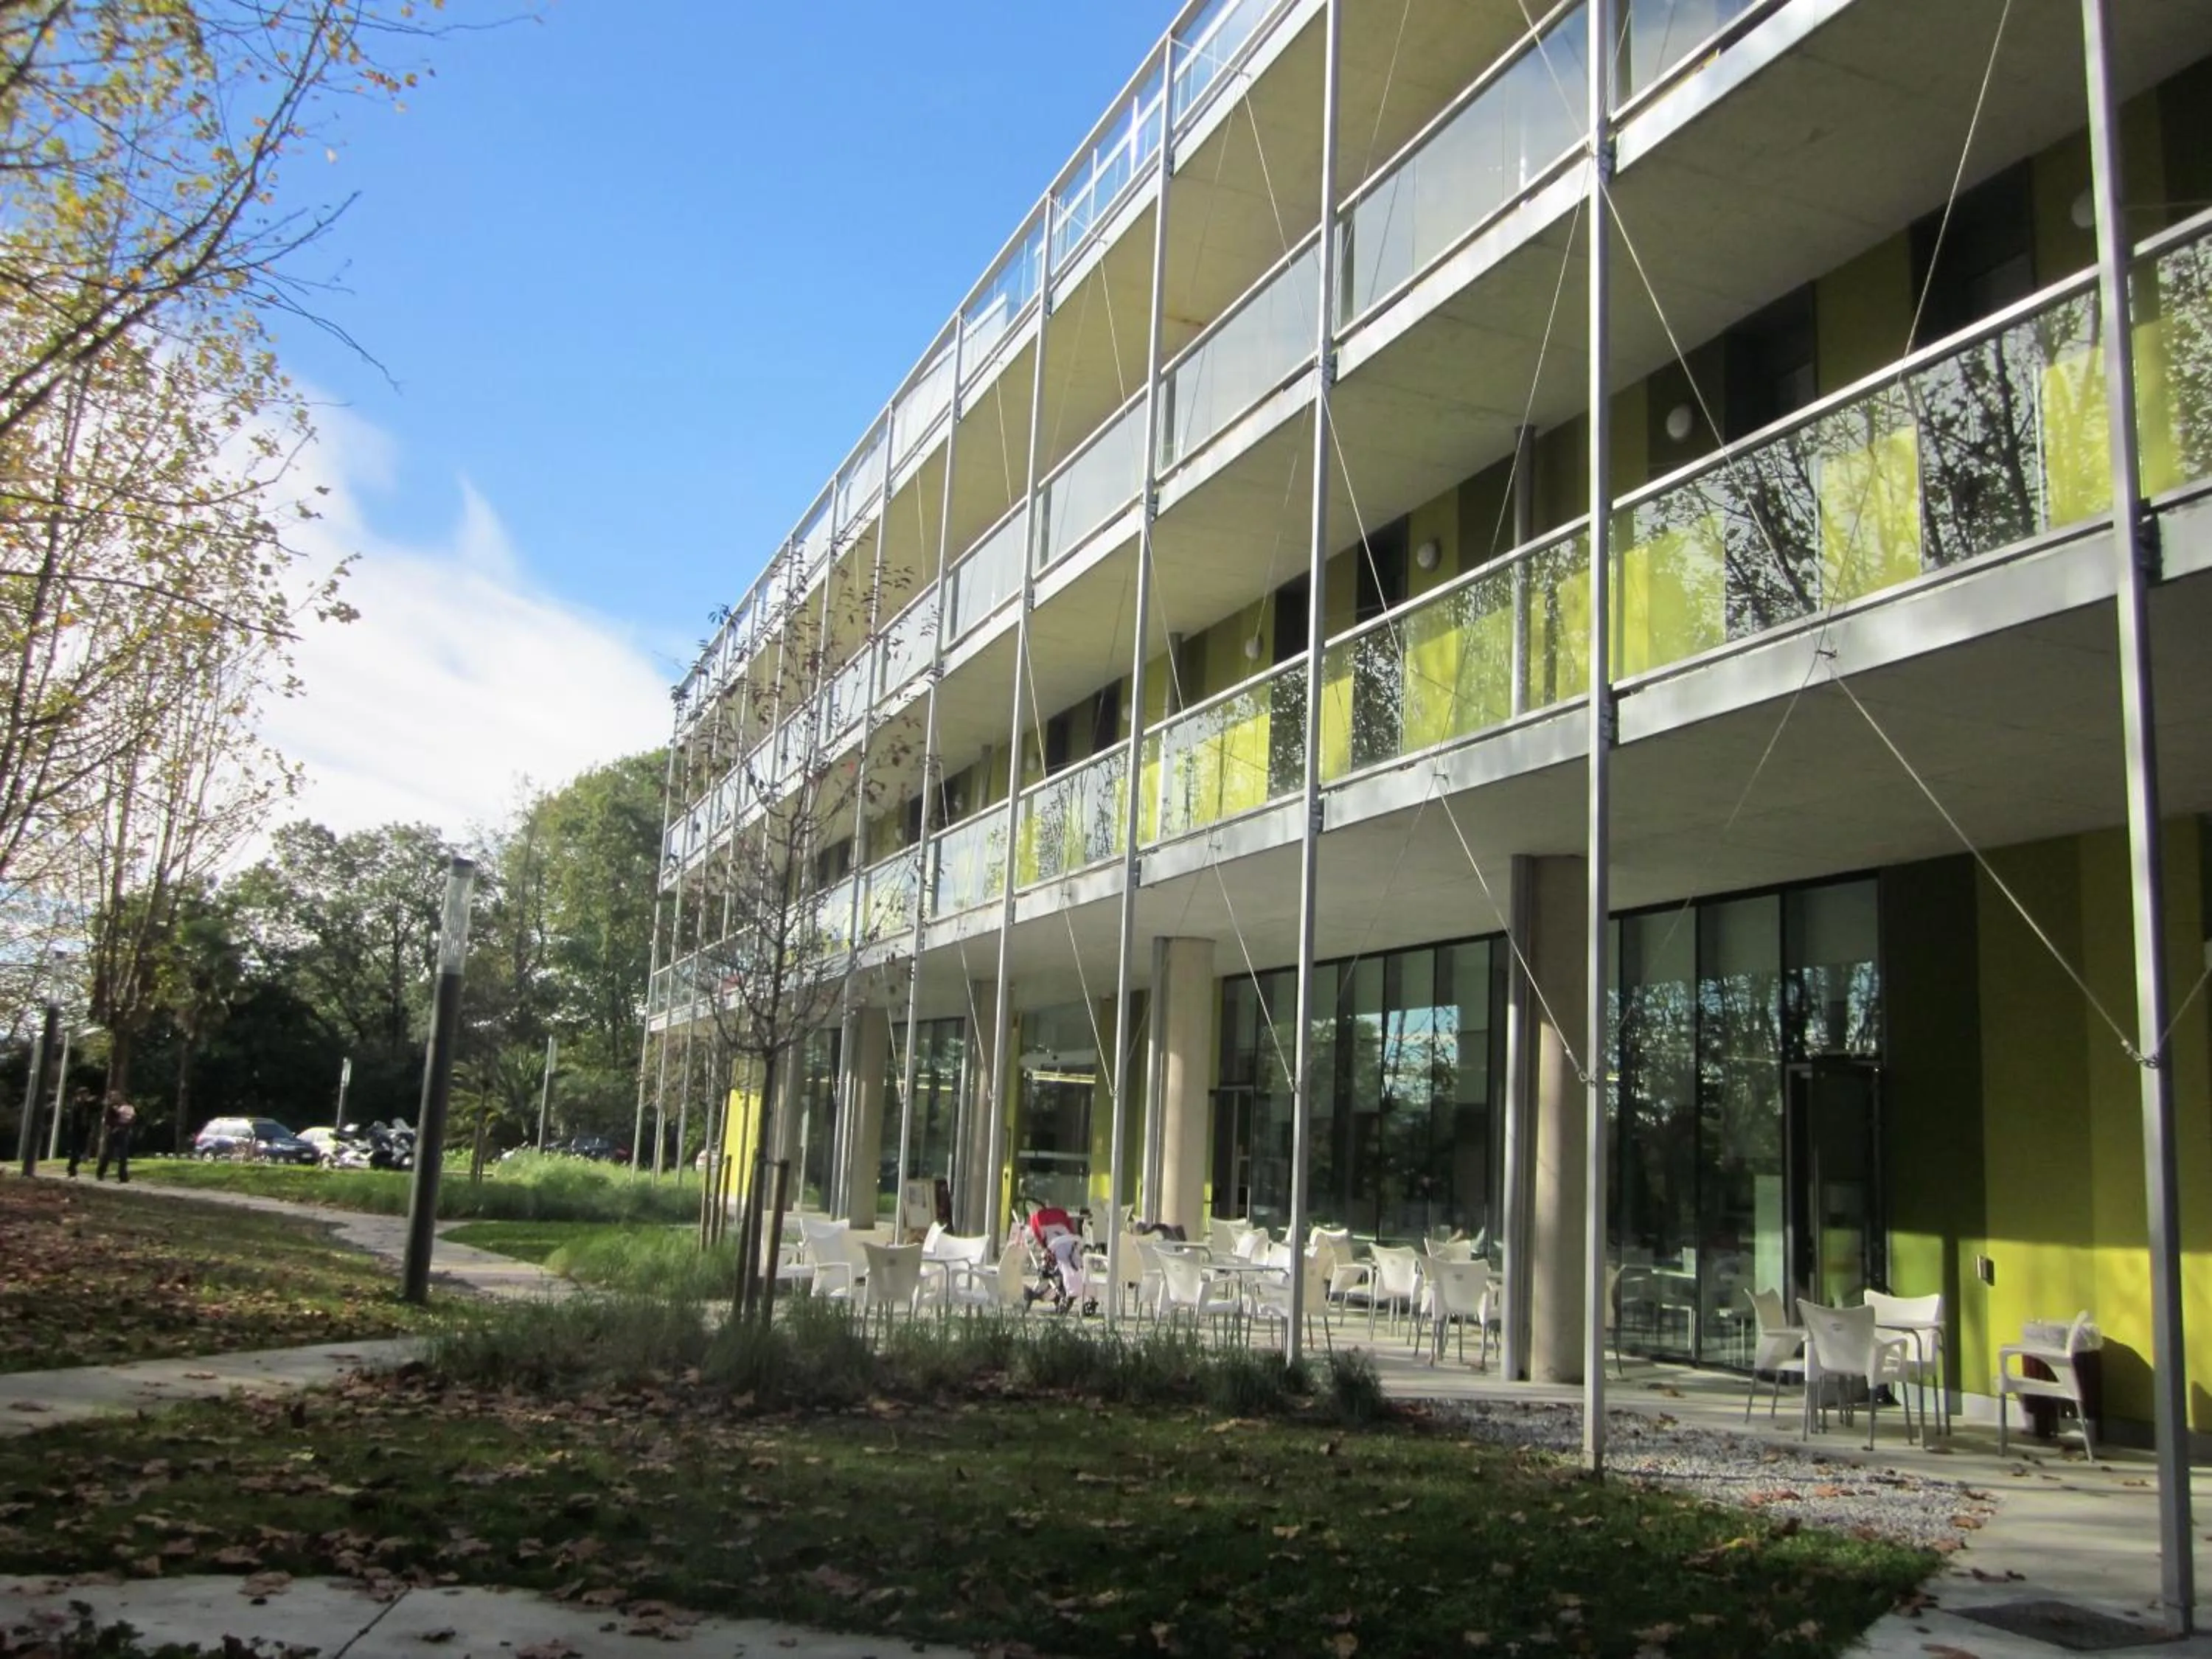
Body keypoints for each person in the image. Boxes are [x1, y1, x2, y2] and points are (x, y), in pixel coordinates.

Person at [95, 1096, 135, 1182]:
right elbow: (108, 1121)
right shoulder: (111, 1109)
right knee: (108, 1154)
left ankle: (123, 1176)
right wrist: (118, 1124)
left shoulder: (128, 1108)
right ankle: (100, 1173)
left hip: (123, 1133)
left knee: (123, 1155)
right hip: (113, 1133)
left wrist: (127, 1124)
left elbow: (132, 1119)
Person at [62, 1089, 97, 1179]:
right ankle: (71, 1169)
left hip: (84, 1130)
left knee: (81, 1149)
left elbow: (95, 1108)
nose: (86, 1096)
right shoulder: (76, 1104)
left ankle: (72, 1167)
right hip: (76, 1130)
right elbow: (75, 1114)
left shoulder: (87, 1105)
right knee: (75, 1150)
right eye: (84, 1095)